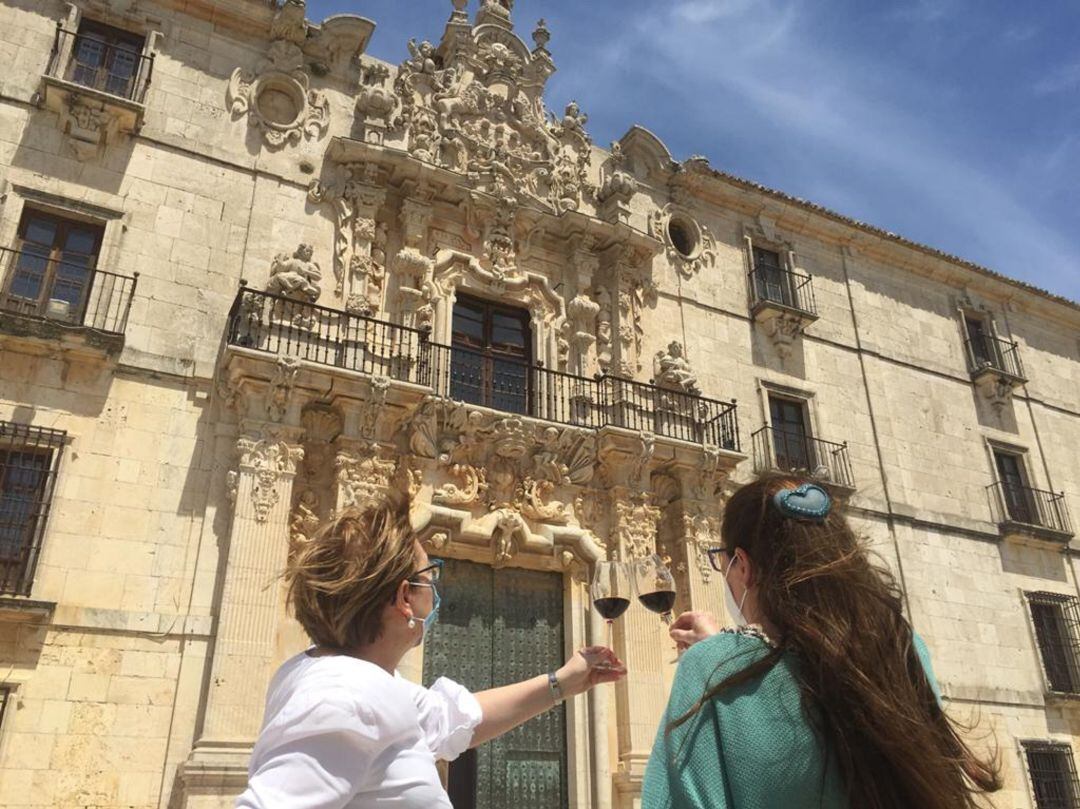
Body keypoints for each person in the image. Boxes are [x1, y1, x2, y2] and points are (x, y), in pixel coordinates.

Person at [236, 497, 625, 808]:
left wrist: (564, 682)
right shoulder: (344, 695)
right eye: (429, 577)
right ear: (405, 597)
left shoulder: (359, 679)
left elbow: (454, 719)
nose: (435, 590)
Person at [642, 474, 1000, 809]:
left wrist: (721, 657)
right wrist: (731, 650)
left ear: (744, 566)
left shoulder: (709, 668)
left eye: (723, 562)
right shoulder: (903, 647)